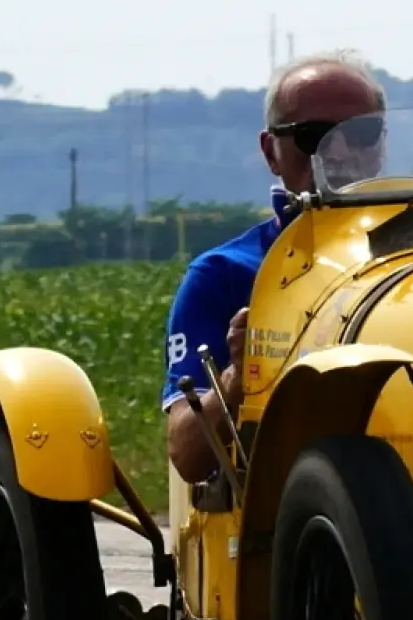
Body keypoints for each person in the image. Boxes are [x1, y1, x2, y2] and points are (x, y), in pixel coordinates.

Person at [163, 51, 385, 483]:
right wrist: (237, 379)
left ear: (382, 141)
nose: (339, 152)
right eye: (314, 136)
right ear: (271, 152)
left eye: (362, 133)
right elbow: (186, 454)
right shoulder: (223, 274)